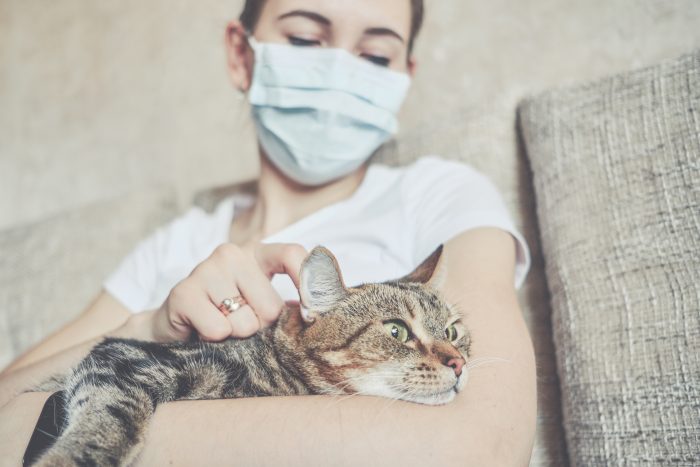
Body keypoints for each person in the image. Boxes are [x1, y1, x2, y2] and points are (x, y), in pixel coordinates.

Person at [0, 0, 537, 464]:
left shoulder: (440, 192)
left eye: (375, 56)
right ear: (241, 54)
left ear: (405, 75)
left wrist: (107, 421)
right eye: (306, 39)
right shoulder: (171, 243)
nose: (339, 72)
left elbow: (482, 448)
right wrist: (149, 327)